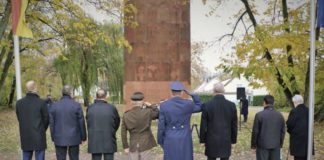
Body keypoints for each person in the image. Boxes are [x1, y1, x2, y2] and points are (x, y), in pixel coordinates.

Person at [157, 81, 202, 160]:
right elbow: (199, 106)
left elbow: (161, 126)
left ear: (171, 92)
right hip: (185, 136)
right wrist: (193, 95)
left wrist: (160, 140)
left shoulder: (164, 105)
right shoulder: (188, 104)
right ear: (182, 92)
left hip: (170, 136)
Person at [199, 82, 238, 160]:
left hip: (211, 139)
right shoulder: (231, 105)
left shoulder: (207, 105)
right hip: (226, 139)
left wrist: (202, 140)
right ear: (224, 91)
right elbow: (234, 125)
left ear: (213, 91)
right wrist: (233, 140)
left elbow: (203, 125)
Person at [49, 85, 87, 160]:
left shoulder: (54, 106)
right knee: (74, 157)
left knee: (60, 158)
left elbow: (52, 124)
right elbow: (81, 122)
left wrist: (53, 137)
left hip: (59, 137)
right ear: (70, 93)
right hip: (74, 137)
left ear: (62, 93)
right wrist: (83, 137)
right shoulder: (76, 105)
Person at [16, 81, 49, 160]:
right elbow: (46, 119)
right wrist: (42, 129)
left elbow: (19, 118)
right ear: (35, 88)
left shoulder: (19, 103)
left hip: (25, 135)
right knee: (40, 157)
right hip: (39, 135)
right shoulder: (41, 102)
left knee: (26, 157)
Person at [121, 92, 159, 160]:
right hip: (146, 144)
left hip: (133, 145)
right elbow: (158, 113)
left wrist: (125, 146)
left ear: (132, 102)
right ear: (142, 102)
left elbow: (123, 133)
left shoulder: (126, 115)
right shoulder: (148, 112)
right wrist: (151, 105)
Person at [87, 89, 120, 160]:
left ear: (96, 96)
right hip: (109, 139)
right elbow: (117, 122)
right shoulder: (112, 108)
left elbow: (88, 122)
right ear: (106, 96)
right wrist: (112, 131)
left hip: (94, 140)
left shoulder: (90, 108)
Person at [251, 95, 285, 160]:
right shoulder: (280, 115)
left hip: (262, 146)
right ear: (273, 103)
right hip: (276, 145)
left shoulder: (259, 115)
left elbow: (255, 131)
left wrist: (253, 145)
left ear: (264, 102)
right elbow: (283, 131)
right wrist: (280, 144)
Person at [286, 95, 311, 160]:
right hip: (308, 140)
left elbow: (289, 124)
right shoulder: (309, 110)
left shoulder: (294, 111)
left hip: (298, 141)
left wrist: (290, 131)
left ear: (295, 102)